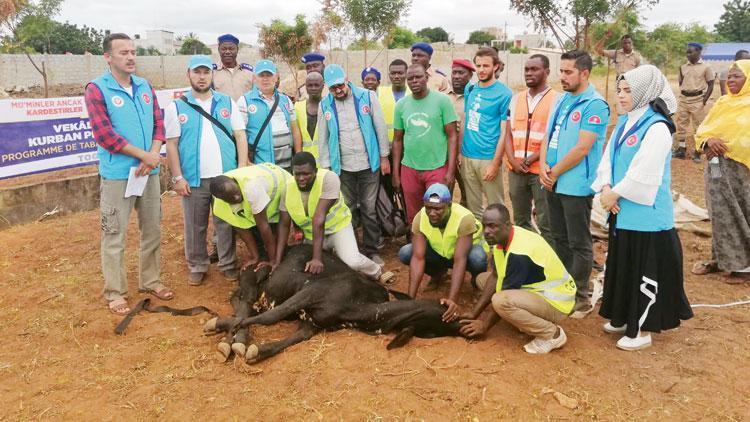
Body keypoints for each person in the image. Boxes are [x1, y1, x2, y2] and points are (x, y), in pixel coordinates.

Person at [592, 65, 693, 350]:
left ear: (646, 93)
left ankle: (642, 329)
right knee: (623, 266)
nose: (621, 97)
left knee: (642, 271)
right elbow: (607, 161)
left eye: (628, 91)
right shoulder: (625, 122)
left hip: (647, 218)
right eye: (620, 90)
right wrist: (606, 187)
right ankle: (623, 317)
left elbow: (644, 172)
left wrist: (615, 195)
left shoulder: (658, 127)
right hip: (622, 213)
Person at [85, 33, 172, 314]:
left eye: (133, 51)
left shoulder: (144, 85)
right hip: (118, 175)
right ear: (108, 57)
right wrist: (142, 155)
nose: (131, 57)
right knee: (114, 234)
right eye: (123, 52)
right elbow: (104, 135)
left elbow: (159, 123)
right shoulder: (97, 89)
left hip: (148, 172)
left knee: (152, 229)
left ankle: (151, 280)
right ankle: (115, 292)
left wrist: (154, 152)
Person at [164, 55, 247, 285]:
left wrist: (240, 170)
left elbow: (240, 135)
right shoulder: (177, 107)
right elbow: (171, 144)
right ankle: (197, 265)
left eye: (205, 72)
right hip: (193, 178)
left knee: (225, 224)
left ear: (212, 75)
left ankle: (228, 263)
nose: (201, 77)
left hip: (225, 176)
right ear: (188, 75)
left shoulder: (226, 102)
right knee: (195, 225)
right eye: (196, 72)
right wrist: (177, 177)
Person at [539, 50, 610, 317]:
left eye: (568, 72)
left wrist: (554, 171)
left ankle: (581, 295)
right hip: (553, 181)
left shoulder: (595, 105)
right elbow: (548, 136)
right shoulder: (561, 99)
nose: (562, 76)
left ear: (585, 73)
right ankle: (563, 287)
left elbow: (582, 148)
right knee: (558, 238)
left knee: (579, 243)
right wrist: (544, 167)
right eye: (561, 71)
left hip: (576, 186)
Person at [458, 203, 576, 354]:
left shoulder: (518, 253)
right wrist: (475, 313)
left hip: (557, 302)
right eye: (484, 226)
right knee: (482, 279)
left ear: (507, 225)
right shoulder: (505, 237)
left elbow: (505, 292)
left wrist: (484, 325)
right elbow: (495, 275)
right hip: (536, 289)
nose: (486, 231)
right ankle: (526, 314)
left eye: (492, 226)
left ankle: (551, 334)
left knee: (501, 301)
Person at [273, 152, 395, 284]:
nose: (301, 178)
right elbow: (284, 225)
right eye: (297, 174)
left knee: (352, 261)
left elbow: (319, 219)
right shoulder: (287, 188)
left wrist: (316, 258)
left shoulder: (329, 179)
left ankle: (377, 271)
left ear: (315, 170)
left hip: (338, 229)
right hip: (311, 235)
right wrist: (277, 261)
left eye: (306, 174)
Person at [317, 64, 391, 264]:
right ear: (327, 87)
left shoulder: (367, 97)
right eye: (333, 88)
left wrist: (384, 157)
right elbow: (322, 138)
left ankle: (372, 249)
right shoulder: (325, 104)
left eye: (340, 86)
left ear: (347, 79)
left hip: (369, 164)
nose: (338, 91)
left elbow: (380, 128)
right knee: (347, 208)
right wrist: (326, 169)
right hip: (343, 167)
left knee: (369, 207)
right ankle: (352, 249)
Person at [692, 59, 750, 284]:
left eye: (737, 76)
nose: (731, 80)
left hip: (742, 172)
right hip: (716, 166)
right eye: (730, 76)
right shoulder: (724, 103)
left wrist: (733, 147)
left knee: (741, 212)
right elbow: (703, 130)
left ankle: (743, 266)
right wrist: (708, 141)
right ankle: (722, 259)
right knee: (719, 212)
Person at [398, 184, 488, 317]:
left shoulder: (464, 218)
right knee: (406, 252)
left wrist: (452, 301)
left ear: (449, 205)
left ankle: (476, 283)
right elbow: (418, 257)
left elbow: (460, 260)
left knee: (478, 258)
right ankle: (438, 274)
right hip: (441, 253)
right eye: (428, 208)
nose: (432, 213)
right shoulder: (420, 217)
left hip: (464, 255)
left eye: (437, 209)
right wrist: (409, 300)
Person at [392, 64, 458, 223]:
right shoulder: (401, 105)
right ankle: (417, 244)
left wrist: (450, 171)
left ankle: (438, 246)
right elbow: (397, 139)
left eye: (418, 77)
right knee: (414, 216)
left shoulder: (442, 101)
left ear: (426, 78)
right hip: (410, 168)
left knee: (437, 212)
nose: (414, 81)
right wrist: (396, 172)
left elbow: (452, 136)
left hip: (437, 167)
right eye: (410, 78)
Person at [505, 54, 558, 243]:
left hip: (541, 171)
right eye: (527, 69)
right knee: (520, 220)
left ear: (547, 72)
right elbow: (508, 133)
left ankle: (549, 263)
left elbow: (554, 136)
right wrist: (512, 160)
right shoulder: (516, 99)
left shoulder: (557, 100)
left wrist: (533, 158)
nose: (529, 73)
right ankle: (529, 256)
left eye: (534, 69)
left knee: (546, 221)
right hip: (516, 170)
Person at [460, 47, 513, 219]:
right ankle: (477, 243)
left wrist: (496, 163)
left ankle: (499, 244)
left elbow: (505, 132)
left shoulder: (505, 94)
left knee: (495, 207)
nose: (481, 70)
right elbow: (466, 119)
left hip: (488, 157)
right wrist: (461, 152)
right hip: (468, 156)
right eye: (478, 65)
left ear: (496, 66)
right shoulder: (470, 89)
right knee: (473, 208)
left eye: (486, 66)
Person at [210, 163, 291, 270]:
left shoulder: (252, 187)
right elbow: (241, 228)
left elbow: (264, 227)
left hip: (283, 182)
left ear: (235, 182)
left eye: (236, 192)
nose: (237, 197)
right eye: (231, 198)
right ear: (222, 200)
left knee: (277, 231)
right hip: (262, 193)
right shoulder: (220, 206)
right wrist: (255, 257)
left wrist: (272, 261)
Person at [238, 59, 302, 172]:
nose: (265, 79)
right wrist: (245, 160)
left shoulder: (285, 100)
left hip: (287, 166)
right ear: (254, 78)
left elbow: (295, 129)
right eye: (261, 75)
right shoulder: (245, 101)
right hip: (261, 166)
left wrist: (299, 155)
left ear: (276, 77)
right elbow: (239, 134)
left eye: (269, 75)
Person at [673, 42, 715, 162]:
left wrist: (704, 100)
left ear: (699, 52)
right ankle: (681, 150)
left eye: (691, 52)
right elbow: (681, 83)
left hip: (698, 100)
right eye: (687, 52)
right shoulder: (682, 67)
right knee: (681, 125)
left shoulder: (706, 67)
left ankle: (698, 152)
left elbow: (711, 85)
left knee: (699, 127)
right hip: (683, 99)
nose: (688, 54)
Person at [448, 59, 475, 207]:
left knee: (469, 194)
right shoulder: (444, 97)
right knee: (446, 191)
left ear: (470, 75)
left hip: (467, 154)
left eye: (461, 73)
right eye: (454, 72)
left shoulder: (475, 96)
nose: (457, 76)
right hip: (446, 153)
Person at [212, 34, 254, 101]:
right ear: (218, 50)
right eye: (224, 49)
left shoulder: (249, 72)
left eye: (231, 49)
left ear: (237, 50)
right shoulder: (211, 72)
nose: (227, 52)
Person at [293, 72, 325, 159]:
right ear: (305, 87)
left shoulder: (329, 106)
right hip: (305, 164)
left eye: (316, 85)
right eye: (310, 85)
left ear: (323, 86)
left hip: (326, 164)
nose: (313, 88)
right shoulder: (297, 107)